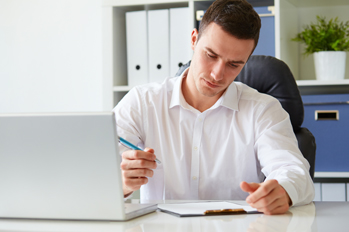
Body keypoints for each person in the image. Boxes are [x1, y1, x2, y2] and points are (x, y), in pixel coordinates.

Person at [114, 0, 314, 215]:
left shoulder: (263, 110)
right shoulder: (142, 102)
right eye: (211, 55)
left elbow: (295, 172)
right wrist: (121, 183)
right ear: (193, 40)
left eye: (234, 64)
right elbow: (94, 174)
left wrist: (283, 191)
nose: (217, 74)